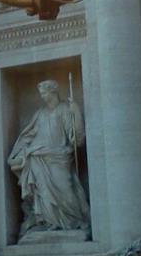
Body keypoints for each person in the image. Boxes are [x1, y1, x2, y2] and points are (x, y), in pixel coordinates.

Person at [8, 80, 89, 237]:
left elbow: (75, 139)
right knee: (43, 192)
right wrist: (21, 152)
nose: (43, 96)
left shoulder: (65, 110)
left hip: (59, 157)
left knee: (65, 189)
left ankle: (73, 221)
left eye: (45, 93)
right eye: (41, 94)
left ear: (53, 92)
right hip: (39, 157)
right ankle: (48, 222)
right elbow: (29, 135)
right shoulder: (40, 114)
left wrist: (76, 113)